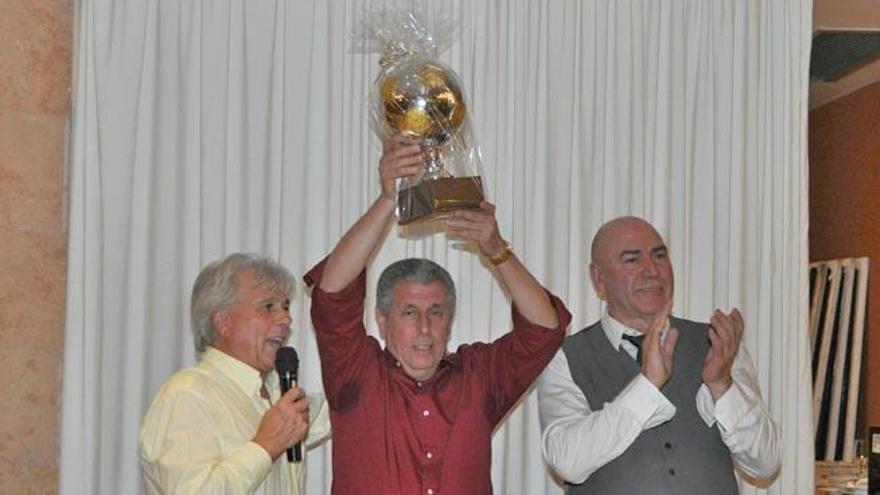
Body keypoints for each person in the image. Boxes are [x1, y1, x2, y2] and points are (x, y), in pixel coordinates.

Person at [303, 136, 572, 494]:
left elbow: (544, 328)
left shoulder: (478, 377)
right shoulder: (356, 373)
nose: (425, 327)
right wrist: (388, 200)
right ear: (382, 321)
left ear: (451, 319)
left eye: (436, 312)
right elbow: (332, 293)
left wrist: (497, 250)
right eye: (409, 312)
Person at [538, 216, 781, 494]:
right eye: (632, 260)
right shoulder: (564, 358)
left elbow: (766, 462)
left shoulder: (717, 344)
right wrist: (647, 384)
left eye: (659, 256)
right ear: (599, 278)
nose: (651, 270)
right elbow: (567, 461)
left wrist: (721, 386)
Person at [138, 253, 330, 494]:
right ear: (223, 321)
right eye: (268, 307)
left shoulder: (277, 392)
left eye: (285, 306)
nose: (286, 318)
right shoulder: (187, 395)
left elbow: (343, 409)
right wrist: (266, 446)